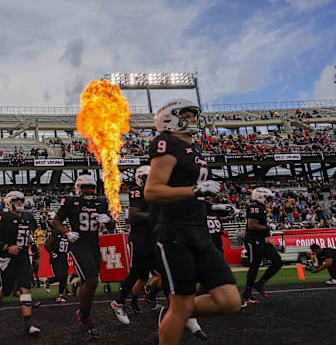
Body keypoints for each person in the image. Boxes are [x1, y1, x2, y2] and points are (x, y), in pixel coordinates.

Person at [144, 99, 240, 345]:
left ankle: (175, 314)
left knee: (229, 301)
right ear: (170, 118)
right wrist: (195, 190)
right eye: (186, 115)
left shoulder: (194, 148)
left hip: (199, 231)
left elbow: (191, 190)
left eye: (193, 115)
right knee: (182, 305)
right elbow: (152, 191)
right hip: (175, 232)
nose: (193, 119)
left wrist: (210, 206)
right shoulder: (168, 143)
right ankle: (177, 314)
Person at [51, 174, 115, 339]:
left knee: (91, 282)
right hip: (78, 243)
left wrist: (108, 220)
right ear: (78, 189)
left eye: (91, 187)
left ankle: (83, 310)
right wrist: (67, 232)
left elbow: (112, 225)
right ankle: (85, 315)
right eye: (85, 187)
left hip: (94, 243)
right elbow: (56, 221)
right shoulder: (71, 202)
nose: (89, 190)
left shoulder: (100, 202)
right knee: (92, 280)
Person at [0, 190, 41, 337]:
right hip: (7, 257)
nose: (19, 203)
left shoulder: (28, 216)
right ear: (9, 203)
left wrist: (33, 244)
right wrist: (7, 247)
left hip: (23, 256)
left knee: (25, 287)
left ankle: (28, 325)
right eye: (16, 201)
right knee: (7, 289)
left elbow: (28, 234)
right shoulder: (2, 216)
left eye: (21, 201)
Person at [112, 165, 158, 323]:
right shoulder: (137, 191)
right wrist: (154, 216)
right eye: (146, 177)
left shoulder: (157, 190)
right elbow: (133, 215)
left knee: (164, 272)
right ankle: (120, 302)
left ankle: (151, 296)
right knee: (137, 273)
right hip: (140, 238)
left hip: (154, 237)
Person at [242, 187, 283, 306]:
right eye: (267, 198)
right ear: (261, 196)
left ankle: (260, 283)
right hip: (253, 240)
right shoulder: (254, 207)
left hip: (262, 240)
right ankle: (247, 292)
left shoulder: (261, 208)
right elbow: (252, 226)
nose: (269, 201)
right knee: (254, 266)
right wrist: (268, 228)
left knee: (277, 261)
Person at [44, 217, 69, 303]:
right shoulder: (55, 233)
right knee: (59, 276)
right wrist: (52, 253)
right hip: (56, 258)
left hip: (64, 257)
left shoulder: (68, 234)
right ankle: (48, 281)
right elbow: (46, 245)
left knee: (65, 276)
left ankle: (60, 295)